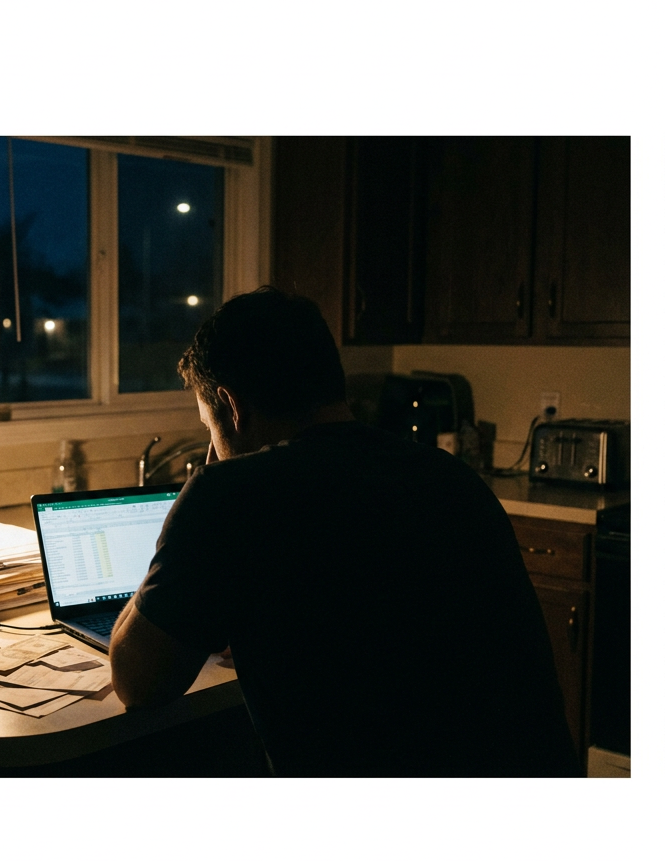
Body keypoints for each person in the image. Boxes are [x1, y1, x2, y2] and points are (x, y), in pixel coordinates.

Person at [109, 287, 580, 776]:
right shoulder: (448, 476)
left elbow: (138, 681)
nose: (211, 450)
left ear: (232, 407)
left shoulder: (231, 492)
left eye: (209, 428)